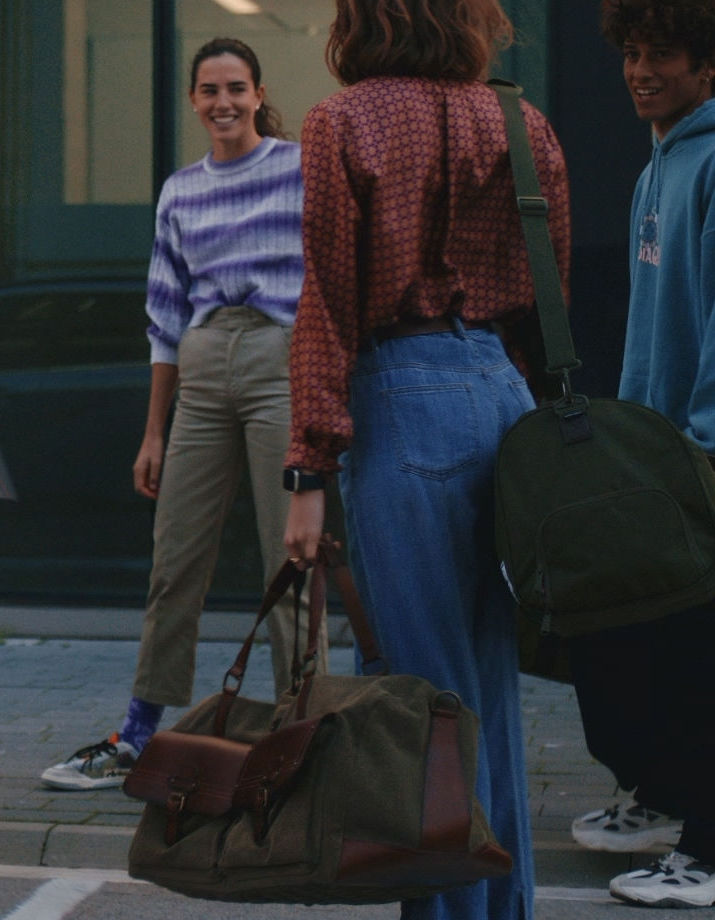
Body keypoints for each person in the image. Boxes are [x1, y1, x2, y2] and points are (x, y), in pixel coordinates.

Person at [279, 0, 570, 917]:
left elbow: (324, 302)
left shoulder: (344, 120)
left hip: (401, 395)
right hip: (505, 399)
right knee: (488, 698)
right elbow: (549, 289)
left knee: (422, 707)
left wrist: (307, 471)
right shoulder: (524, 123)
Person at [41, 37, 325, 792]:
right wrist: (154, 431)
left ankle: (303, 738)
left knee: (288, 563)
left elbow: (327, 286)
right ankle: (136, 733)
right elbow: (163, 318)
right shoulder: (179, 190)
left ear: (258, 94)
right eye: (209, 90)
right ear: (194, 101)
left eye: (237, 88)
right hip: (200, 372)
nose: (224, 102)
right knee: (174, 563)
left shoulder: (298, 169)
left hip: (277, 363)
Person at [563, 0, 715, 908]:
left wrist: (700, 448)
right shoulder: (657, 165)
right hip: (655, 455)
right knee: (643, 649)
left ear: (709, 67)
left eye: (663, 55)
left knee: (698, 660)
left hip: (699, 457)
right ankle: (661, 800)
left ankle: (705, 853)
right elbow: (646, 335)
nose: (639, 70)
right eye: (631, 53)